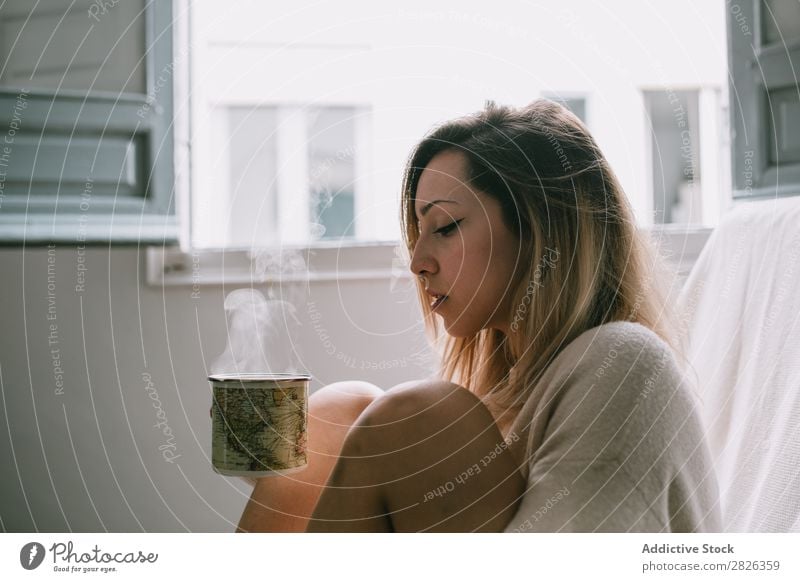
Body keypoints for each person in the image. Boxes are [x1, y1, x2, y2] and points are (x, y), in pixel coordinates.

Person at [236, 99, 721, 533]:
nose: (417, 261)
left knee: (414, 419)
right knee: (341, 410)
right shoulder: (518, 391)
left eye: (445, 227)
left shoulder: (624, 361)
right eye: (418, 232)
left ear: (539, 231)